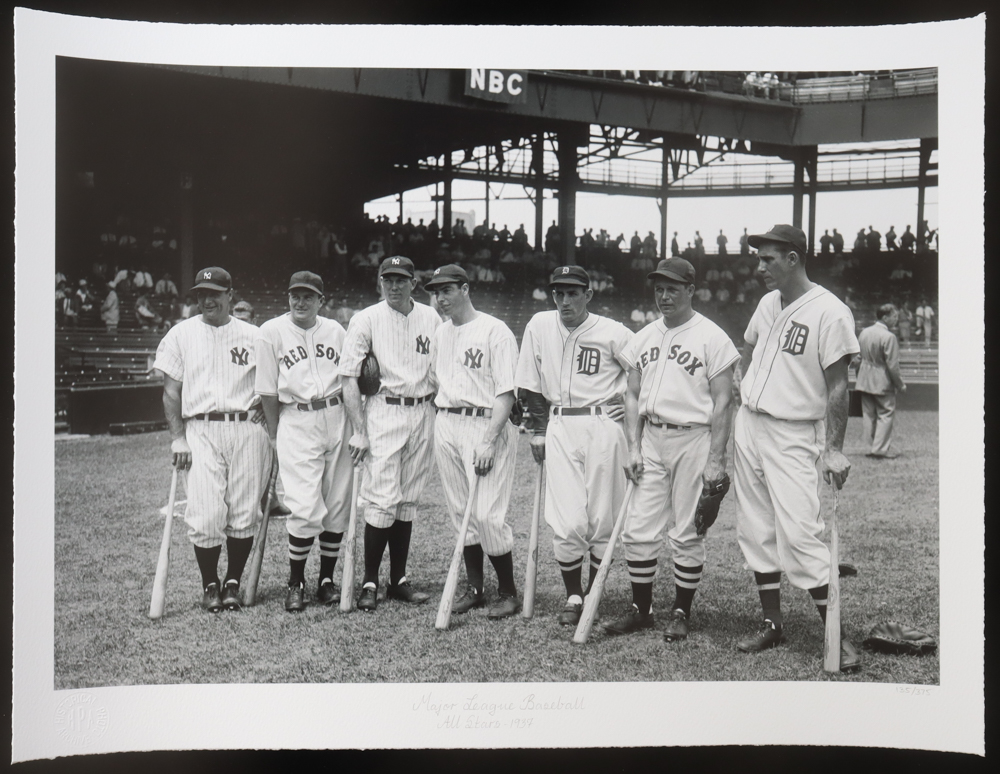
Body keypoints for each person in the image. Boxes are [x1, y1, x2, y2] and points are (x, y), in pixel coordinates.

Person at [732, 225, 861, 672]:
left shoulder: (831, 312)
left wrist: (835, 447)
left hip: (793, 430)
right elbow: (748, 348)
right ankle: (772, 622)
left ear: (793, 258)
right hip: (750, 423)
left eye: (768, 259)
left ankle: (836, 637)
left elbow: (839, 385)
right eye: (759, 258)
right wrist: (744, 386)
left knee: (802, 533)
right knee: (755, 527)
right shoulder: (768, 303)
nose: (759, 266)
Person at [604, 258, 738, 640]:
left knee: (687, 531)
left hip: (693, 438)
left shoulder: (713, 337)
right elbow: (630, 394)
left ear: (691, 290)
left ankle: (681, 610)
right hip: (651, 438)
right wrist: (633, 447)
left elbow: (724, 402)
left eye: (673, 289)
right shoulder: (643, 336)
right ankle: (641, 609)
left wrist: (716, 459)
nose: (664, 296)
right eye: (659, 289)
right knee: (638, 528)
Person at [515, 265, 634, 627]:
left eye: (572, 293)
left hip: (603, 426)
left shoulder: (614, 331)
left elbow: (644, 372)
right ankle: (573, 595)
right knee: (566, 521)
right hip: (559, 424)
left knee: (602, 517)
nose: (564, 300)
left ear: (588, 295)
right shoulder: (539, 325)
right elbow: (529, 382)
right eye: (558, 293)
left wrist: (628, 398)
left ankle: (594, 590)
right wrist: (537, 430)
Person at [153, 267, 273, 613]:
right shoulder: (181, 334)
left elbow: (272, 382)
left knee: (244, 510)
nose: (207, 299)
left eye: (214, 293)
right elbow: (171, 391)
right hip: (201, 428)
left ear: (229, 294)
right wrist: (178, 438)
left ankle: (232, 581)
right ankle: (210, 584)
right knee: (205, 514)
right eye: (201, 293)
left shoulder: (254, 335)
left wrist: (268, 407)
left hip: (247, 428)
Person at [339, 255, 441, 612]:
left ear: (413, 282)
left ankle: (398, 580)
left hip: (423, 409)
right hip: (384, 409)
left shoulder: (431, 317)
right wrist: (359, 431)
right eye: (388, 280)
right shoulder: (365, 318)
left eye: (401, 280)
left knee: (408, 499)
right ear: (379, 282)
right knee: (382, 499)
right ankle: (369, 580)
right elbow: (349, 377)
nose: (394, 286)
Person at [426, 264, 522, 619]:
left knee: (486, 515)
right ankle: (477, 588)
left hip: (484, 424)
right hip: (447, 420)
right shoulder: (441, 333)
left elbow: (506, 392)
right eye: (436, 293)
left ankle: (509, 592)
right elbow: (437, 380)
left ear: (465, 289)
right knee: (459, 511)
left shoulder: (495, 331)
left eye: (447, 290)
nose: (440, 299)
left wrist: (489, 439)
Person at [255, 271, 354, 611]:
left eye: (308, 296)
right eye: (295, 295)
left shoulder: (336, 331)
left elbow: (350, 378)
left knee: (337, 502)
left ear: (320, 301)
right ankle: (295, 581)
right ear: (288, 297)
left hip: (338, 415)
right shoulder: (271, 331)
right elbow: (267, 389)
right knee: (304, 504)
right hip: (296, 418)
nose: (300, 302)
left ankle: (326, 580)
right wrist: (273, 432)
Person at [855, 304, 906, 459]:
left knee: (868, 414)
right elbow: (892, 365)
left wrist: (859, 376)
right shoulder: (889, 337)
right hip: (882, 380)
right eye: (894, 316)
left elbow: (857, 359)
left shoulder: (864, 332)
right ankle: (879, 450)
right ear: (885, 317)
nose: (897, 319)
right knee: (885, 413)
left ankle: (870, 447)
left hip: (864, 379)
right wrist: (900, 384)